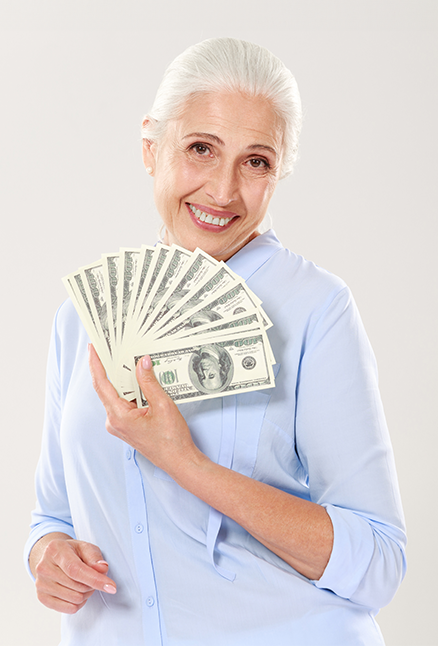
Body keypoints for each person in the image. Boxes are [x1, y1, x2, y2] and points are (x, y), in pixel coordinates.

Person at [25, 38, 406, 645]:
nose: (224, 191)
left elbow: (379, 563)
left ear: (278, 173)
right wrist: (47, 555)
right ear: (151, 148)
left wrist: (185, 462)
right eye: (201, 149)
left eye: (256, 162)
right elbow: (53, 514)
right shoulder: (83, 317)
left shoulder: (316, 310)